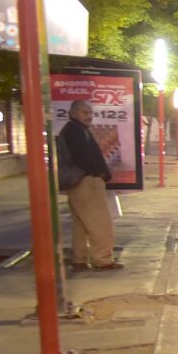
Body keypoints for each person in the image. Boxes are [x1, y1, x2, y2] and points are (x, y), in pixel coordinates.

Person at [60, 100, 121, 270]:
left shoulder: (73, 130)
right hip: (87, 181)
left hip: (77, 184)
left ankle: (79, 259)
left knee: (81, 224)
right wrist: (100, 173)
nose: (88, 116)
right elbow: (84, 158)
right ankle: (102, 259)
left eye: (90, 113)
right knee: (100, 222)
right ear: (73, 113)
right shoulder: (76, 131)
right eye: (84, 112)